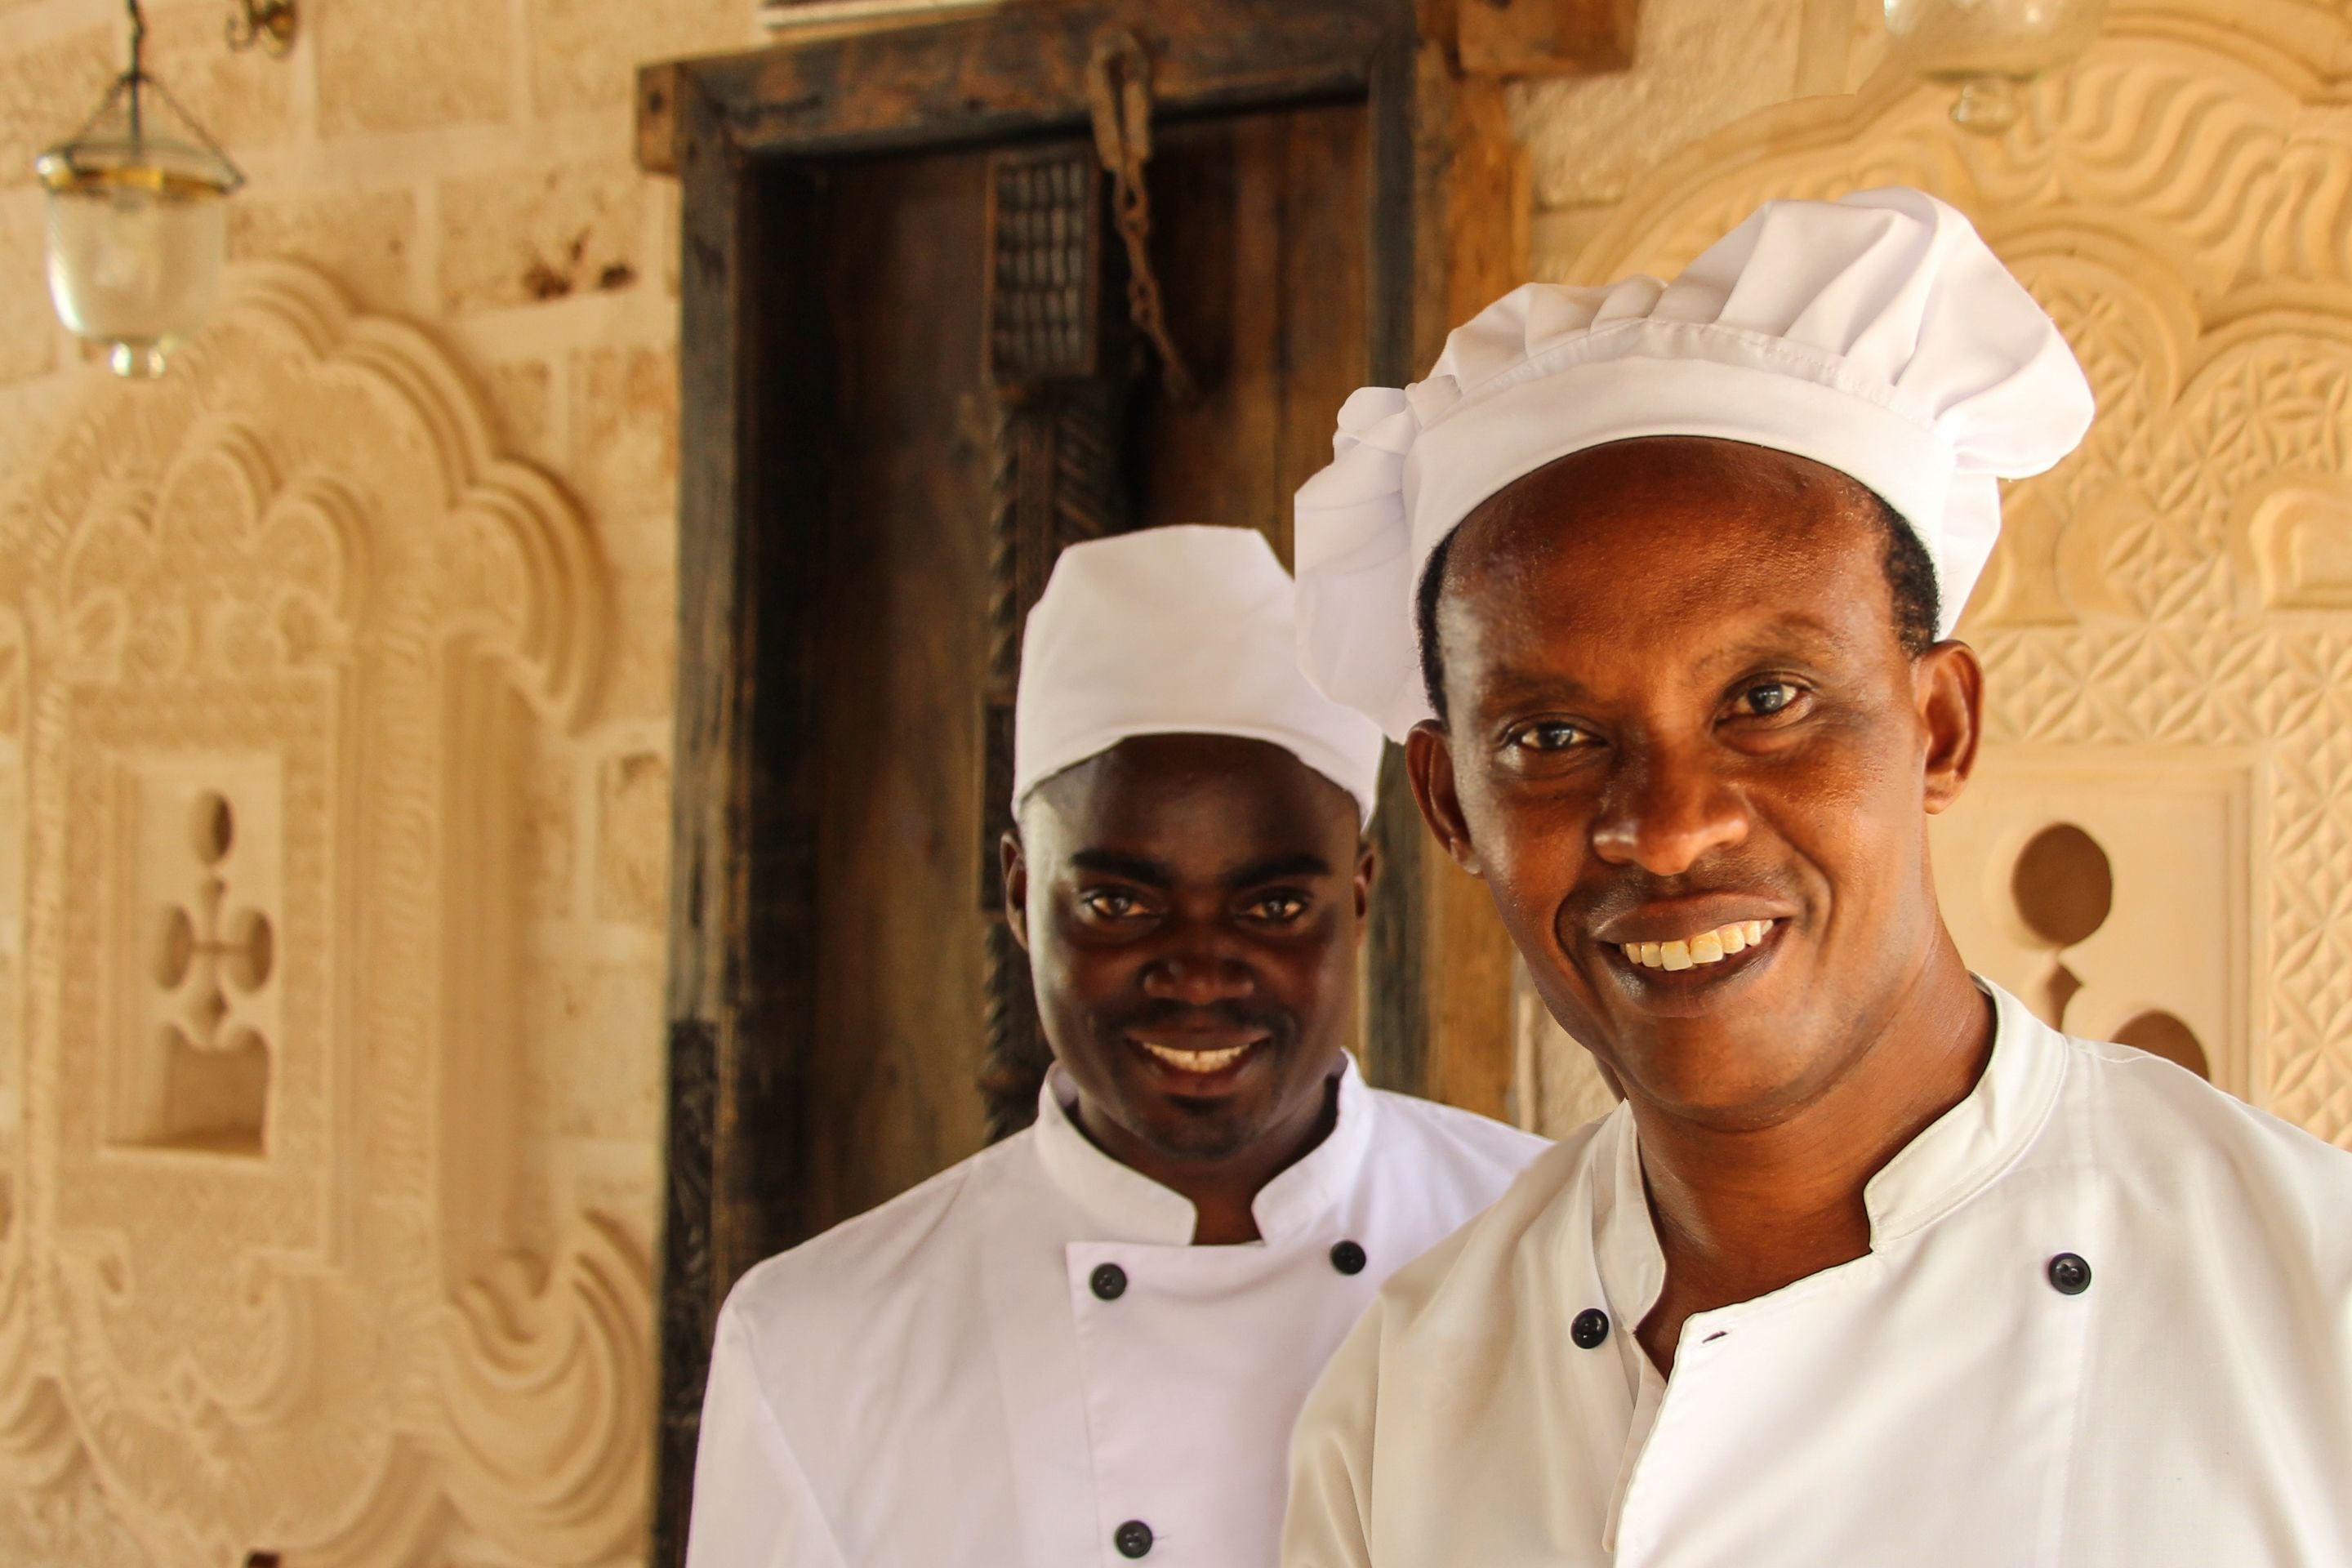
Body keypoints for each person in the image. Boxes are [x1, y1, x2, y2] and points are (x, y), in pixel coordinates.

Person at [1279, 188, 2352, 1566]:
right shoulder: (1405, 1404)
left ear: (1942, 728)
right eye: (1551, 738)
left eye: (1769, 698)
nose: (1665, 829)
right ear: (1446, 803)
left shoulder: (2309, 1310)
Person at [685, 524, 1548, 1568]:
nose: (1197, 972)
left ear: (1358, 895)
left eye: (1272, 905)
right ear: (1016, 893)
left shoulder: (1553, 1244)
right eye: (1117, 903)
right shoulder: (816, 1339)